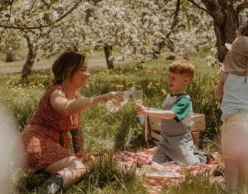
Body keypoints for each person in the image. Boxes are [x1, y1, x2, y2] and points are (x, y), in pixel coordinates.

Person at [20, 51, 124, 194]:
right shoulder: (56, 92)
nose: (88, 74)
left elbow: (76, 130)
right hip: (36, 143)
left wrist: (80, 153)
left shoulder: (75, 97)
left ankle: (50, 181)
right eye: (83, 69)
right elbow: (66, 108)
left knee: (96, 160)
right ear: (68, 71)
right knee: (78, 167)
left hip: (50, 145)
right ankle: (45, 191)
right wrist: (102, 98)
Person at [214, 35, 248, 193]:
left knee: (231, 161)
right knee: (242, 161)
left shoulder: (225, 74)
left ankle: (230, 190)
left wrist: (221, 79)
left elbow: (218, 94)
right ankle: (243, 190)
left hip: (234, 123)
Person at [136, 59, 200, 166]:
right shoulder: (170, 96)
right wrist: (148, 109)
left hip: (179, 141)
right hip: (165, 140)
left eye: (173, 78)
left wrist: (147, 112)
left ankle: (200, 156)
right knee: (155, 164)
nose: (169, 80)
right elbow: (163, 112)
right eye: (169, 77)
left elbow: (170, 115)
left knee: (190, 165)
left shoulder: (184, 101)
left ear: (185, 81)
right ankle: (169, 157)